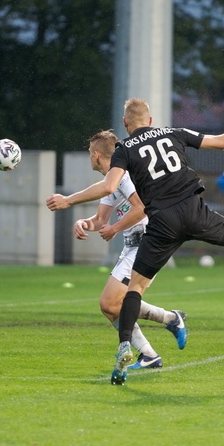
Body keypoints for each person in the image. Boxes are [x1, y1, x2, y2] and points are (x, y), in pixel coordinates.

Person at [46, 98, 224, 385]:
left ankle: (125, 346)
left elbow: (108, 186)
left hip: (163, 223)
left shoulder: (124, 149)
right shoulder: (173, 132)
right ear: (150, 120)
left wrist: (69, 201)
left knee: (135, 289)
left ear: (126, 124)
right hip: (194, 211)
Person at [72, 130, 188, 370]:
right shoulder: (110, 182)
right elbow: (100, 220)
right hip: (131, 246)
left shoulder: (123, 176)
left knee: (111, 303)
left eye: (89, 154)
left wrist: (114, 228)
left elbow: (142, 208)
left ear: (95, 155)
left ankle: (152, 347)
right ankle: (163, 331)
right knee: (110, 305)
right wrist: (85, 223)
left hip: (147, 241)